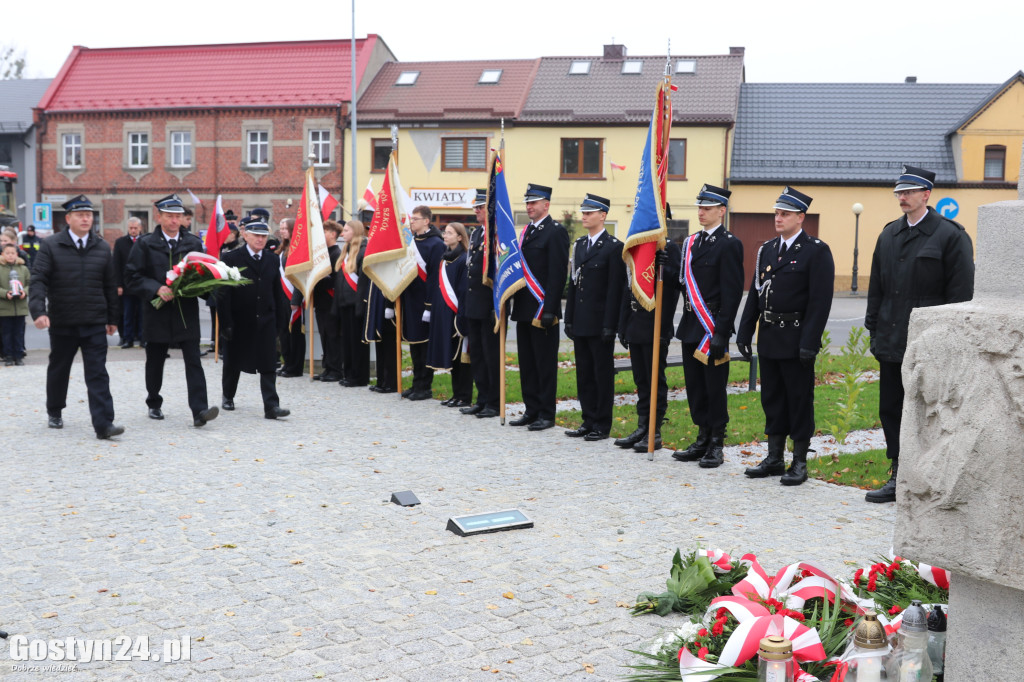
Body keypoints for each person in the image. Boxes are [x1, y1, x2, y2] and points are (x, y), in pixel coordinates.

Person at [863, 165, 974, 503]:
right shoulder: (889, 235)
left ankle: (932, 476)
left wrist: (951, 341)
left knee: (931, 411)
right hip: (892, 340)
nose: (903, 197)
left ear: (926, 194)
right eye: (899, 191)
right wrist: (874, 328)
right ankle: (898, 474)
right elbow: (877, 287)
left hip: (931, 346)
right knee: (891, 409)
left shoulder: (950, 235)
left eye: (909, 191)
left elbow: (960, 296)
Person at [737, 187, 835, 486]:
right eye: (777, 213)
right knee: (772, 398)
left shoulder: (816, 250)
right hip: (768, 337)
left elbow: (820, 302)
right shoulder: (767, 249)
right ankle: (775, 457)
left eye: (785, 214)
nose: (778, 218)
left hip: (795, 339)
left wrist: (810, 342)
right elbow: (755, 293)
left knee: (799, 400)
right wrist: (744, 331)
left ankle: (800, 461)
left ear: (800, 217)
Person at [27, 195, 123, 438]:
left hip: (93, 322)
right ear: (68, 218)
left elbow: (110, 286)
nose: (85, 219)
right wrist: (38, 311)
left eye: (89, 215)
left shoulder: (101, 247)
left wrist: (113, 319)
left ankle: (103, 424)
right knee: (59, 368)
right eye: (80, 215)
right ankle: (55, 410)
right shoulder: (51, 245)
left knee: (98, 372)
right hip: (63, 321)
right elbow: (38, 279)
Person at [125, 193, 219, 427]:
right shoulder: (146, 243)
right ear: (160, 217)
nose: (174, 220)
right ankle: (154, 402)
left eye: (178, 216)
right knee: (155, 361)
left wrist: (206, 288)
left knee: (193, 361)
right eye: (169, 216)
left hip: (185, 312)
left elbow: (202, 273)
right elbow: (132, 277)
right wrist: (155, 288)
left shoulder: (193, 244)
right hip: (156, 313)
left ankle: (199, 410)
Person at [671, 185, 745, 468]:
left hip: (712, 326)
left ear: (721, 211)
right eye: (699, 208)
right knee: (695, 387)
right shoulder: (691, 242)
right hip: (692, 324)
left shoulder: (729, 243)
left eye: (707, 208)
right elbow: (683, 285)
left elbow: (732, 292)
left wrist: (722, 332)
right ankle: (701, 437)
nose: (701, 212)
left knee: (714, 388)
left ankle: (716, 443)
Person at [563, 194, 624, 441]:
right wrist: (569, 319)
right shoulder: (579, 245)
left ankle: (602, 424)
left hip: (600, 324)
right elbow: (574, 284)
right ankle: (587, 420)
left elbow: (614, 290)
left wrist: (611, 325)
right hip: (581, 321)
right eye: (583, 212)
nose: (584, 216)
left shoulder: (613, 247)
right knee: (584, 374)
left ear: (603, 215)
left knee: (601, 375)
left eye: (590, 212)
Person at [509, 184, 570, 431]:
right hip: (524, 308)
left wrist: (550, 309)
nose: (529, 207)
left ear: (546, 204)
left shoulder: (555, 232)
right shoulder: (526, 232)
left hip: (542, 310)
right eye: (527, 203)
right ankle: (531, 409)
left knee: (544, 365)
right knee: (527, 364)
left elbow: (557, 274)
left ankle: (546, 413)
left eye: (533, 202)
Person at [218, 218, 290, 419]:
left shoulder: (272, 259)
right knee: (234, 361)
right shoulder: (231, 257)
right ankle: (228, 395)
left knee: (268, 362)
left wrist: (280, 320)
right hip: (239, 319)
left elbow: (277, 291)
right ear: (245, 236)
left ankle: (271, 406)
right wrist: (226, 323)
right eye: (256, 235)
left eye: (264, 236)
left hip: (265, 318)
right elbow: (224, 293)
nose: (260, 239)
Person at [615, 244, 681, 451]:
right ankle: (642, 426)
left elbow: (677, 284)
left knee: (655, 380)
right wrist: (623, 325)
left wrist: (666, 268)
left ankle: (655, 431)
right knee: (641, 380)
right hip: (636, 324)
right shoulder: (639, 247)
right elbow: (629, 287)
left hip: (656, 324)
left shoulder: (668, 248)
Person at [459, 190, 501, 419]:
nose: (476, 210)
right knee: (476, 354)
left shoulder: (497, 235)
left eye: (481, 206)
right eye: (475, 207)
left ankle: (494, 402)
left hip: (489, 307)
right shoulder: (476, 234)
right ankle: (482, 398)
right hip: (474, 304)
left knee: (490, 356)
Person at [401, 206, 445, 401]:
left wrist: (429, 305)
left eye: (416, 219)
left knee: (424, 345)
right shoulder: (411, 242)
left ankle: (425, 386)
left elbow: (434, 277)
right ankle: (416, 382)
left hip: (425, 301)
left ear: (427, 221)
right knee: (414, 344)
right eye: (412, 219)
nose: (412, 222)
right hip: (410, 299)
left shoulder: (436, 244)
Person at [428, 221, 472, 407]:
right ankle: (456, 395)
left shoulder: (463, 259)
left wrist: (460, 317)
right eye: (445, 232)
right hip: (444, 314)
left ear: (460, 237)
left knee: (462, 358)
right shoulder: (445, 258)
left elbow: (462, 291)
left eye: (449, 233)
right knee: (453, 357)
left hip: (456, 315)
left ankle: (465, 396)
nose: (445, 235)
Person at [302, 219, 343, 382]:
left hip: (331, 301)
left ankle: (336, 369)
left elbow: (335, 279)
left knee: (333, 335)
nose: (321, 235)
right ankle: (328, 366)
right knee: (325, 335)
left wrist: (316, 280)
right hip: (321, 301)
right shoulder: (323, 254)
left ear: (333, 234)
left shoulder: (336, 254)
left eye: (324, 232)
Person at [334, 220, 370, 387]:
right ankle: (349, 373)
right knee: (347, 342)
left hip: (357, 305)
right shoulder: (346, 251)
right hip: (345, 304)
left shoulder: (362, 252)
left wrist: (360, 305)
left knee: (357, 344)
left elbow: (363, 283)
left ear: (355, 232)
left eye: (346, 231)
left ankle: (359, 376)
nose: (342, 234)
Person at [276, 218, 306, 378]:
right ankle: (287, 363)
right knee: (283, 333)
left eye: (285, 228)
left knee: (294, 333)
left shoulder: (297, 249)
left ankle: (296, 367)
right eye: (280, 228)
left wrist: (296, 299)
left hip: (293, 297)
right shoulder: (284, 248)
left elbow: (300, 277)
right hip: (282, 296)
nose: (282, 231)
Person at [113, 217, 144, 349]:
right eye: (131, 228)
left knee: (143, 314)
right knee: (128, 314)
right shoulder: (120, 242)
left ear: (140, 228)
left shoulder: (145, 241)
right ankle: (128, 339)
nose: (133, 230)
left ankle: (143, 339)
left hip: (142, 284)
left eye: (135, 228)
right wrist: (118, 285)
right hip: (126, 285)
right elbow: (116, 265)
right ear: (127, 228)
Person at [1, 243, 31, 366]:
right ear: (2, 254)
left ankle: (18, 355)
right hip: (4, 309)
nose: (10, 255)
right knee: (6, 333)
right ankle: (8, 355)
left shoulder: (23, 269)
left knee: (18, 332)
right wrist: (5, 293)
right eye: (7, 253)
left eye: (12, 253)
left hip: (20, 308)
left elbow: (30, 283)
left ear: (17, 254)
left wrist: (24, 291)